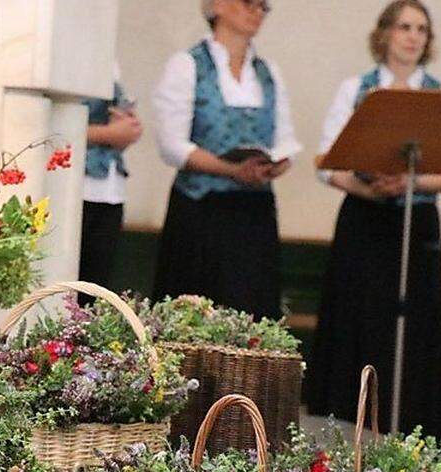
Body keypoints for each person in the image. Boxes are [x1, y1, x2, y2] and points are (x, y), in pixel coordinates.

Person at [305, 0, 441, 439]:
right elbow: (326, 163)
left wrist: (410, 183)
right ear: (385, 34)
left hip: (416, 224)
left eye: (422, 29)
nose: (413, 36)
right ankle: (344, 433)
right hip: (364, 223)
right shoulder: (355, 89)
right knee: (358, 322)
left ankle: (410, 436)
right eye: (405, 27)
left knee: (413, 328)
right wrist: (370, 187)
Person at [150, 0, 300, 319]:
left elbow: (285, 139)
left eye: (263, 6)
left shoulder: (267, 72)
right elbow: (172, 145)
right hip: (200, 213)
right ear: (217, 5)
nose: (257, 11)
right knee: (194, 317)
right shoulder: (188, 64)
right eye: (248, 2)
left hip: (253, 218)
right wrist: (230, 169)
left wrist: (276, 164)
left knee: (252, 314)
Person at [80, 65, 141, 299]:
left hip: (109, 189)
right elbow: (46, 123)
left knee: (94, 294)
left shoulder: (109, 56)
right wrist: (108, 134)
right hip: (72, 187)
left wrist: (126, 128)